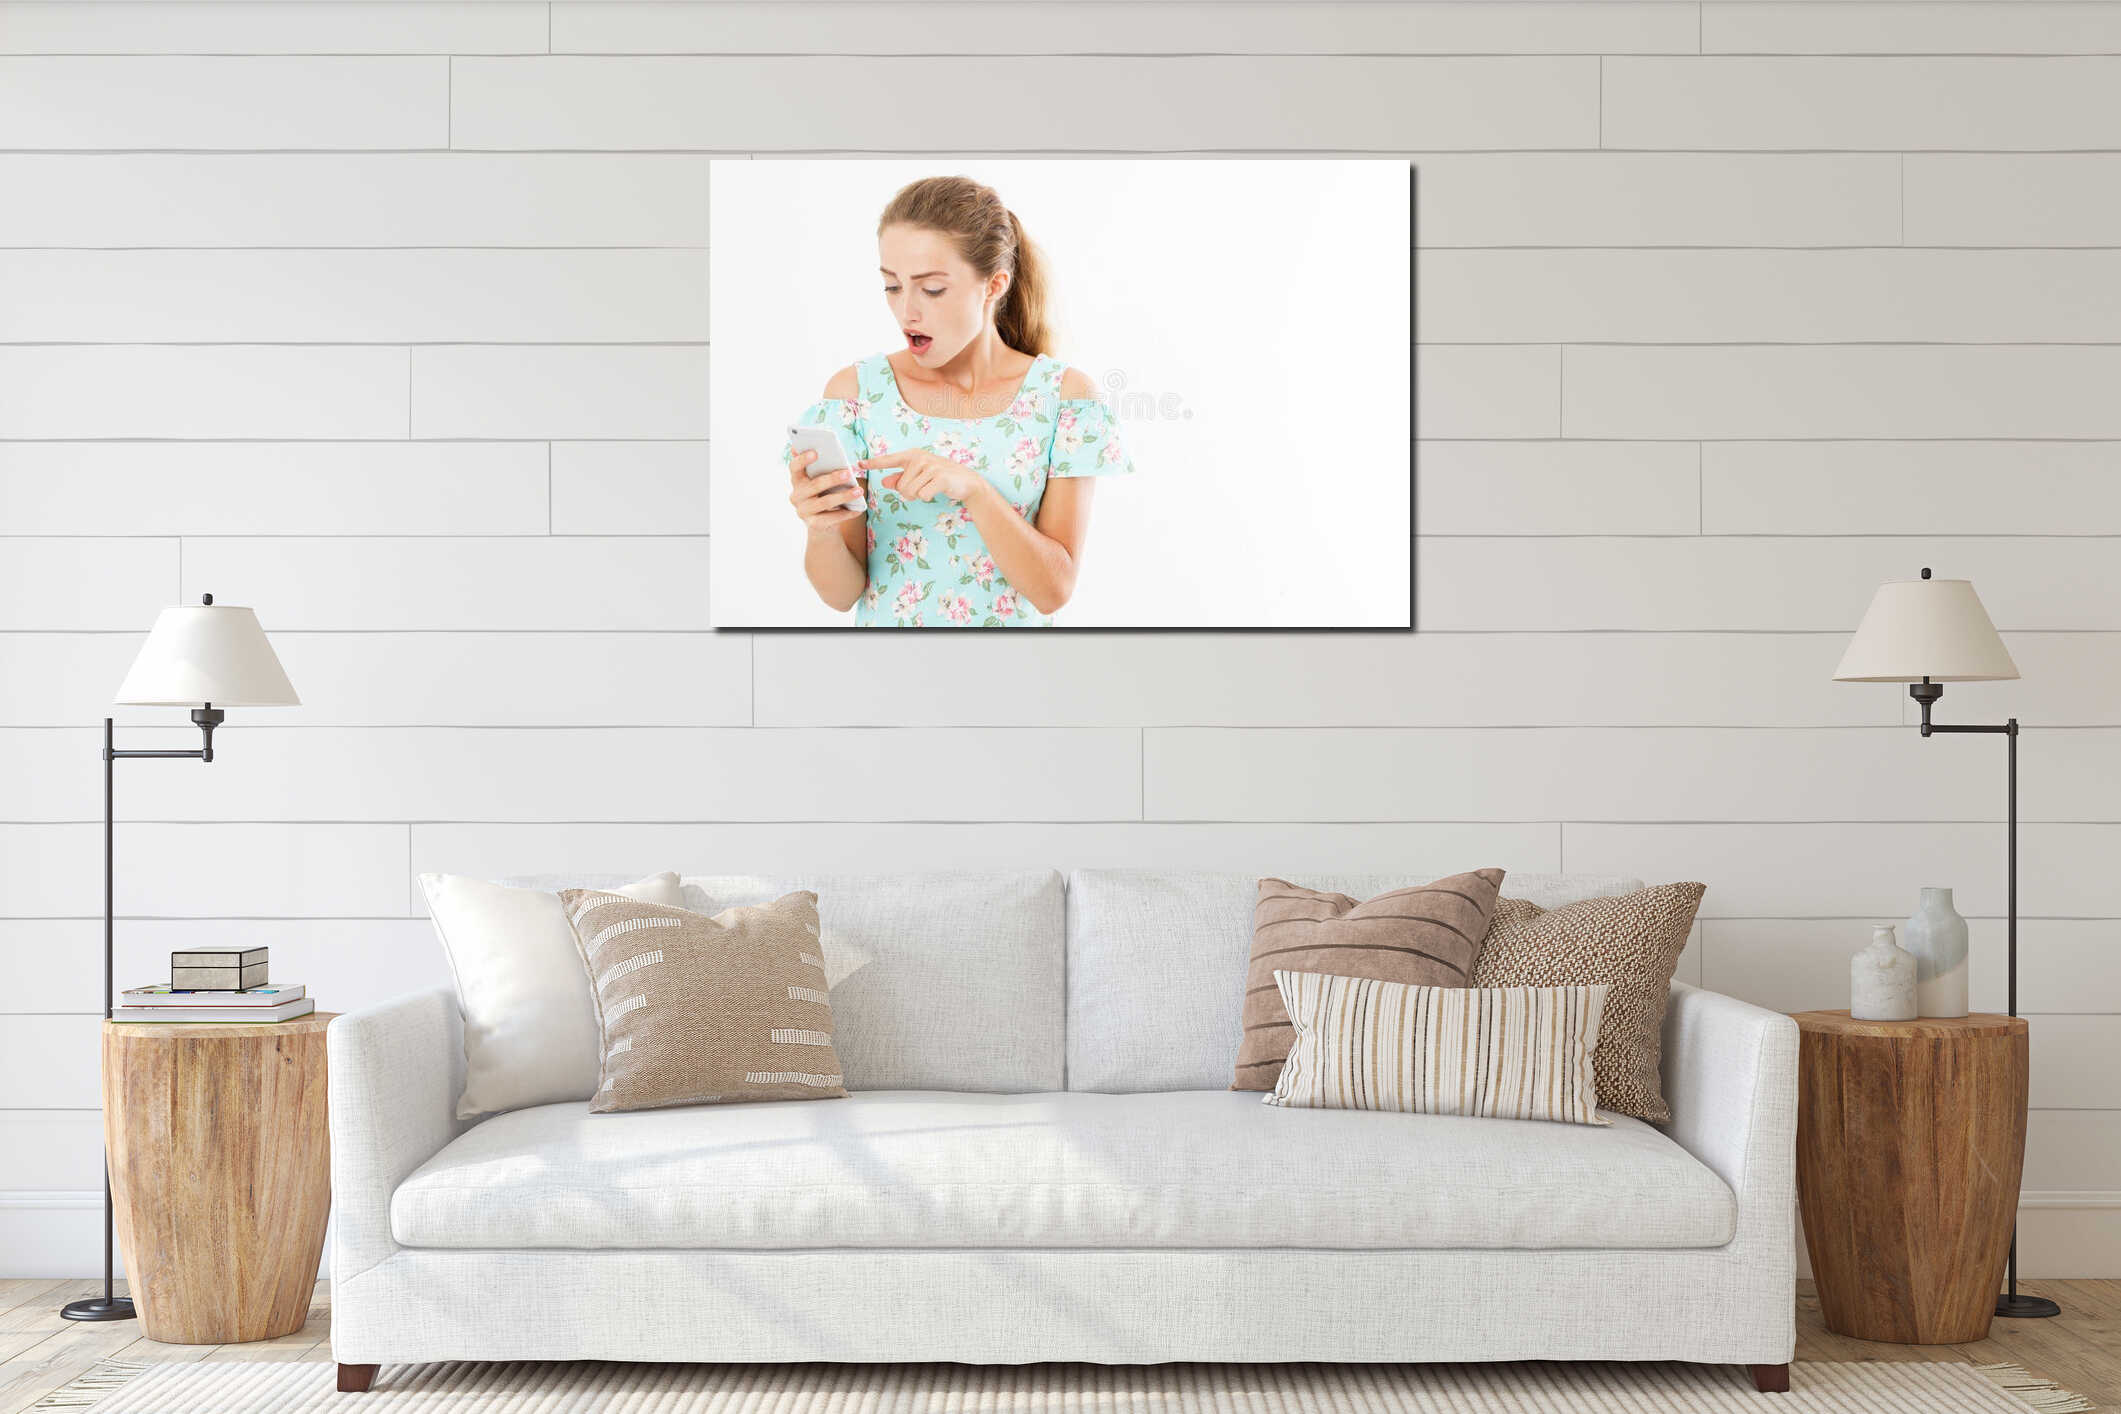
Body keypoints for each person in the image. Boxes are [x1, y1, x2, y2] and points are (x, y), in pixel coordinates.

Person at [785, 175, 1135, 627]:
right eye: (892, 286)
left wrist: (975, 490)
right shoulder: (855, 395)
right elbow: (841, 595)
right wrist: (821, 529)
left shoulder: (1064, 397)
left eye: (932, 289)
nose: (907, 311)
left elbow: (1054, 591)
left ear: (994, 286)